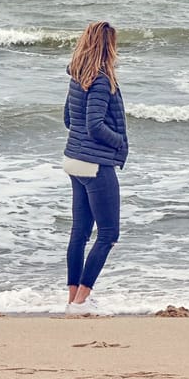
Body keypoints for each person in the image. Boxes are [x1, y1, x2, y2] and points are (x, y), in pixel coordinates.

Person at [62, 20, 128, 314]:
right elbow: (93, 125)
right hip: (96, 164)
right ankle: (82, 302)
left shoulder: (78, 77)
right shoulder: (101, 80)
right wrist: (120, 143)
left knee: (79, 233)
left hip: (75, 162)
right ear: (107, 46)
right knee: (108, 235)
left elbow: (68, 120)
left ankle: (73, 300)